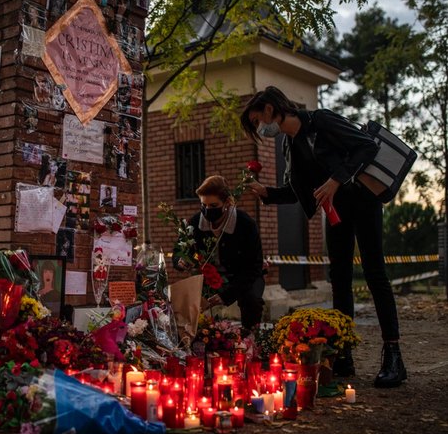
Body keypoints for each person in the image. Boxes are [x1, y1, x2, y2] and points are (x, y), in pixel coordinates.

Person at [239, 86, 406, 388]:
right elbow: (297, 192)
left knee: (374, 272)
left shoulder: (321, 121)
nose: (259, 129)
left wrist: (334, 180)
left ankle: (393, 354)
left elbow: (366, 146)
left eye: (256, 122)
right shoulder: (289, 146)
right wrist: (266, 193)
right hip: (336, 212)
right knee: (339, 278)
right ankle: (343, 353)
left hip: (363, 200)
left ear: (268, 109)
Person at [172, 175, 265, 331]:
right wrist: (181, 260)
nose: (208, 210)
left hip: (243, 275)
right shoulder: (194, 223)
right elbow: (179, 249)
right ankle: (192, 337)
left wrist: (226, 295)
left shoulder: (245, 224)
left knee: (252, 300)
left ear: (227, 202)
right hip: (209, 277)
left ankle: (251, 337)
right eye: (204, 205)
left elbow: (253, 267)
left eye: (213, 205)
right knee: (187, 300)